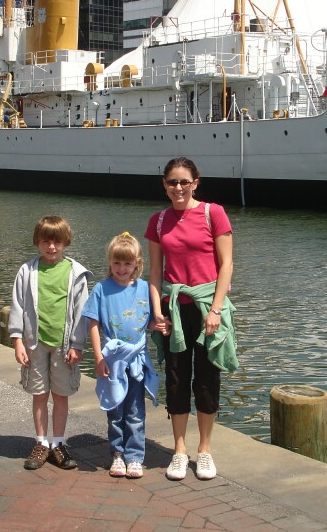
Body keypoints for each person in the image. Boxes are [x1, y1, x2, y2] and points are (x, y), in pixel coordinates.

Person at [145, 157, 237, 482]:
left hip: (207, 306)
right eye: (172, 182)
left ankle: (205, 449)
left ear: (196, 183)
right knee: (176, 378)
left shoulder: (214, 213)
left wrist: (216, 310)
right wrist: (157, 312)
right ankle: (180, 450)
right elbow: (155, 272)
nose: (179, 188)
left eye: (185, 181)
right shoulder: (158, 221)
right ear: (164, 185)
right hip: (174, 308)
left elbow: (226, 264)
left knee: (208, 378)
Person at [8, 216, 92, 470]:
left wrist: (78, 344)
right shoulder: (27, 271)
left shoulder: (76, 273)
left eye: (57, 242)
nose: (52, 247)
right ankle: (41, 442)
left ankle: (58, 443)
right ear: (38, 242)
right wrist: (17, 340)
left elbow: (81, 311)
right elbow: (18, 306)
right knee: (39, 394)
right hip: (35, 342)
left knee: (61, 394)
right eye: (46, 241)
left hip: (63, 344)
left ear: (66, 242)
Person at [82, 232, 159, 479]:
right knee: (115, 408)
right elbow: (94, 324)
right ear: (109, 262)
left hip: (137, 358)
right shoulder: (101, 289)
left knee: (135, 409)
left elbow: (147, 321)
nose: (121, 268)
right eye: (117, 262)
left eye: (127, 263)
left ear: (137, 263)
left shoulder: (144, 288)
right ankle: (117, 452)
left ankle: (134, 456)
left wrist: (158, 325)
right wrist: (98, 358)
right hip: (112, 359)